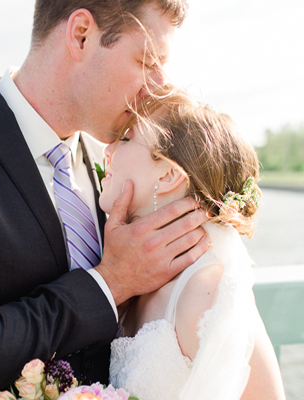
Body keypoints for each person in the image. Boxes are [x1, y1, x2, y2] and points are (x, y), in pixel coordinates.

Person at [0, 1, 210, 400]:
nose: (156, 87)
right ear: (81, 34)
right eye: (146, 60)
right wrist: (109, 282)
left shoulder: (115, 167)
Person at [101, 87, 286, 399]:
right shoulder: (139, 276)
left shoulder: (206, 291)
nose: (107, 151)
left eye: (126, 139)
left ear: (169, 174)